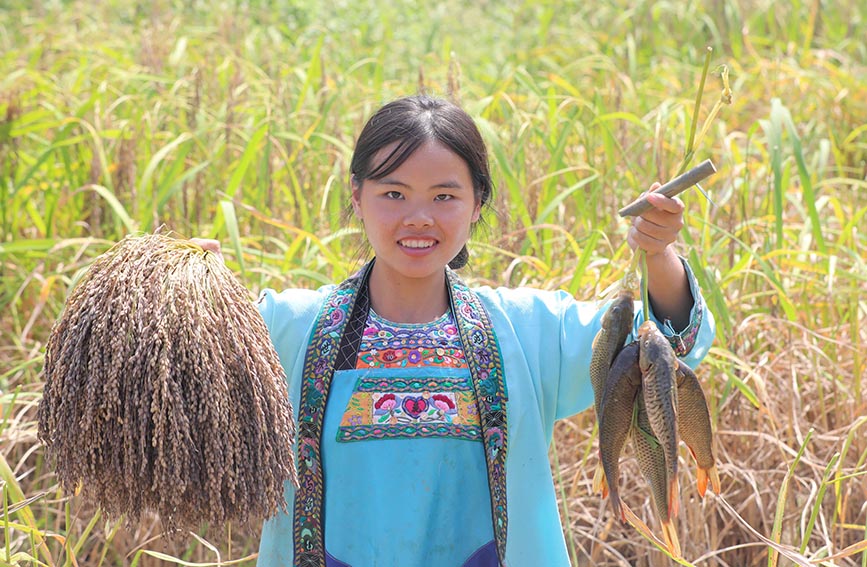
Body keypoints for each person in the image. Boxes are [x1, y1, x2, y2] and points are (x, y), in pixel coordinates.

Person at [196, 94, 714, 567]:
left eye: (444, 196)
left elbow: (663, 354)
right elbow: (186, 371)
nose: (419, 218)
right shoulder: (289, 329)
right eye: (394, 194)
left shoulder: (528, 332)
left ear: (477, 204)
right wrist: (189, 293)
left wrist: (658, 253)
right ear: (357, 196)